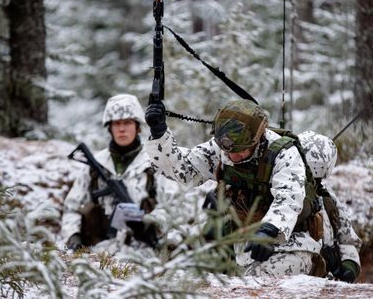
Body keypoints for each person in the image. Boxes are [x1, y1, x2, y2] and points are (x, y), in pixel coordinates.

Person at [145, 99, 322, 276]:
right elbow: (183, 170)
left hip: (287, 241)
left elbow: (289, 198)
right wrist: (160, 134)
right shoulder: (224, 147)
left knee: (269, 274)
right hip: (234, 239)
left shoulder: (284, 154)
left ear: (256, 140)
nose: (232, 156)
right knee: (183, 271)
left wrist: (269, 230)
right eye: (228, 150)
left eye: (240, 150)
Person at [61, 94, 179, 252]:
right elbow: (72, 208)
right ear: (109, 127)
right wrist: (73, 236)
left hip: (146, 252)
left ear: (137, 126)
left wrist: (148, 221)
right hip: (99, 253)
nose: (122, 129)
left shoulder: (155, 162)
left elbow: (174, 206)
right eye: (116, 123)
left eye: (127, 122)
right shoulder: (95, 165)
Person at [299, 131, 362, 283]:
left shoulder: (328, 200)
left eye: (316, 180)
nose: (313, 184)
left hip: (328, 282)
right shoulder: (282, 199)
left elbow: (348, 240)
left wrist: (349, 266)